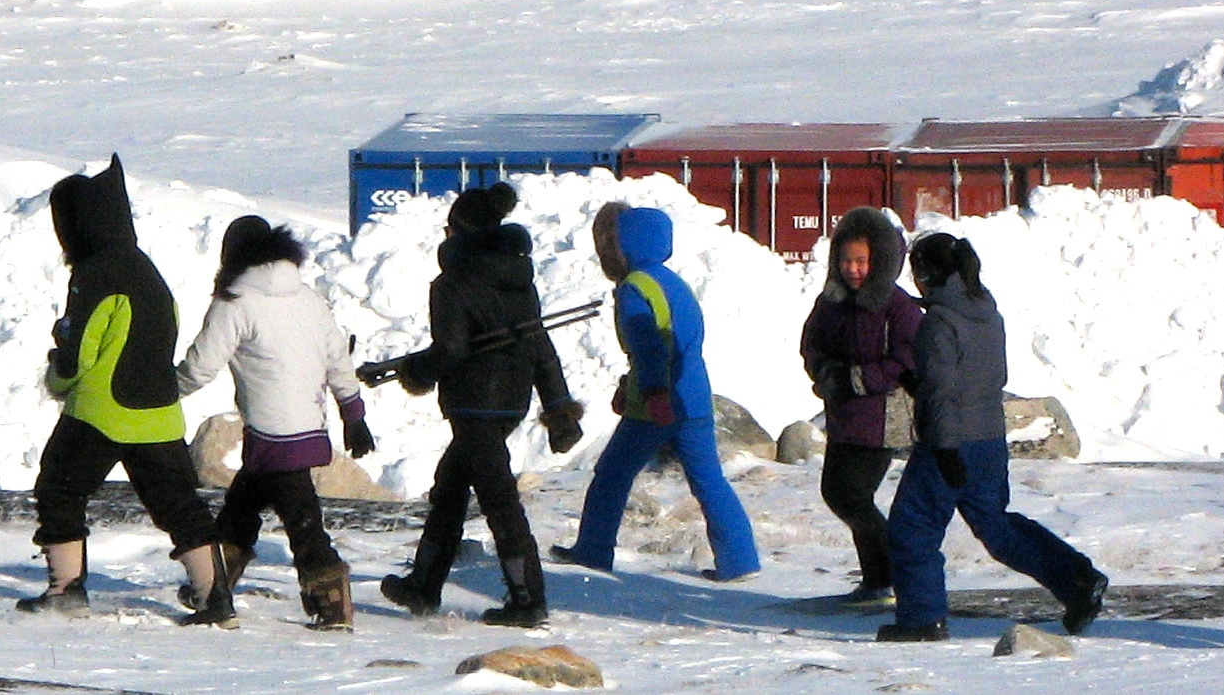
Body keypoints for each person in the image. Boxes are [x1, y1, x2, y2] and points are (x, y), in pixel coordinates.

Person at [17, 156, 225, 623]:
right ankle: (215, 598)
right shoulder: (146, 269)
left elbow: (80, 351)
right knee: (179, 505)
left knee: (59, 489)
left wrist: (57, 376)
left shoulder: (96, 272)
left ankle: (65, 591)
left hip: (101, 412)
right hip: (159, 413)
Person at [877, 233, 1108, 642]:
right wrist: (920, 382)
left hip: (949, 442)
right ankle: (1077, 580)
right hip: (988, 440)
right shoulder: (986, 312)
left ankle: (921, 619)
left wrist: (944, 447)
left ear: (926, 275)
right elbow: (977, 378)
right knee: (998, 528)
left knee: (913, 528)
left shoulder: (939, 322)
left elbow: (942, 393)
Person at [377, 183, 584, 629]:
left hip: (473, 403)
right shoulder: (518, 276)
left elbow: (451, 350)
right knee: (450, 489)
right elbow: (538, 344)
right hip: (510, 401)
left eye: (448, 228)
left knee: (499, 500)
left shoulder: (451, 282)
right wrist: (558, 406)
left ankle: (528, 600)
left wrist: (416, 371)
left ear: (460, 231)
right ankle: (423, 586)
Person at [172, 215, 373, 631]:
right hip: (307, 425)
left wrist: (162, 393)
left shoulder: (235, 302)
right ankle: (214, 584)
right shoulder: (308, 297)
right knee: (242, 507)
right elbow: (338, 358)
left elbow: (201, 366)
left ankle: (332, 602)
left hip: (271, 432)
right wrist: (353, 413)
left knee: (303, 523)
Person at [549, 202, 762, 585]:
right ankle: (740, 560)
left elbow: (649, 348)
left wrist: (650, 392)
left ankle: (593, 551)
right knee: (708, 479)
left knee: (612, 474)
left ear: (625, 245)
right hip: (695, 395)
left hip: (657, 402)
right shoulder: (673, 283)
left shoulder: (635, 288)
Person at [799, 207, 924, 607]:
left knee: (851, 495)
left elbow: (906, 359)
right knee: (837, 493)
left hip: (881, 418)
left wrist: (858, 380)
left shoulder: (897, 307)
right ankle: (880, 577)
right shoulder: (831, 301)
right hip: (844, 415)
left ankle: (890, 575)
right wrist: (824, 372)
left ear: (880, 260)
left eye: (861, 261)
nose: (852, 270)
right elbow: (812, 342)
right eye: (846, 261)